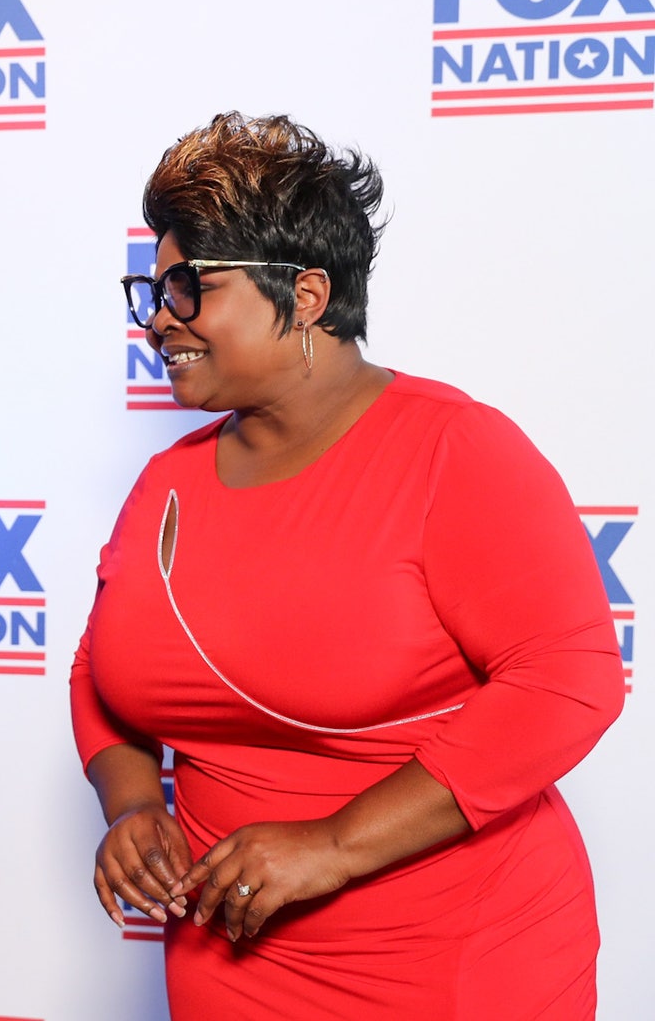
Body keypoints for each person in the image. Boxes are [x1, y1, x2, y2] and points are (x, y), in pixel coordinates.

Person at [70, 112, 624, 1019]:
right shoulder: (166, 484)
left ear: (308, 295)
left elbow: (567, 682)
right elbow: (102, 671)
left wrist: (333, 844)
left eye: (189, 286)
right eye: (153, 289)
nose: (160, 319)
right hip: (227, 955)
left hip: (453, 959)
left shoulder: (454, 451)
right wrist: (131, 806)